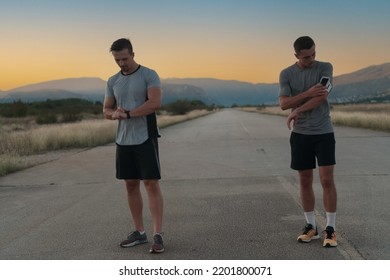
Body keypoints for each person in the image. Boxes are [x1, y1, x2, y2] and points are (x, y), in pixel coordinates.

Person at [103, 38, 164, 253]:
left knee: (150, 183)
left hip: (145, 137)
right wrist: (114, 114)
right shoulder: (112, 81)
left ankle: (158, 235)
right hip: (123, 139)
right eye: (117, 60)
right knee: (130, 184)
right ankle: (139, 232)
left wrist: (128, 114)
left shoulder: (149, 74)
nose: (121, 63)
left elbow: (155, 103)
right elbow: (107, 109)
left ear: (133, 54)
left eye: (125, 58)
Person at [278, 36, 337, 247]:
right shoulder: (287, 74)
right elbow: (284, 104)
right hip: (301, 134)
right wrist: (307, 93)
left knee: (326, 180)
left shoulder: (325, 67)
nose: (311, 59)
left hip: (323, 132)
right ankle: (311, 226)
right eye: (306, 57)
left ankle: (330, 229)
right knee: (304, 180)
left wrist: (299, 109)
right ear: (296, 56)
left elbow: (321, 96)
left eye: (313, 54)